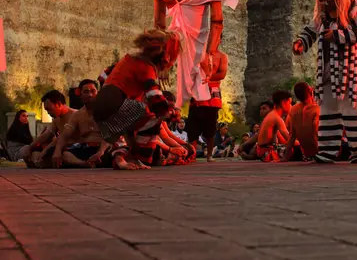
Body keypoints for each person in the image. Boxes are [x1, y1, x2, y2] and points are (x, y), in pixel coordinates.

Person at [292, 0, 357, 164]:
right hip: (328, 70)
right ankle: (326, 153)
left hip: (352, 71)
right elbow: (311, 30)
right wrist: (301, 43)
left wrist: (336, 35)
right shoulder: (323, 15)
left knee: (354, 110)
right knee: (327, 111)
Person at [153, 0, 238, 107]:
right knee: (175, 39)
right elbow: (159, 26)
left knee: (200, 86)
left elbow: (217, 21)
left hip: (198, 40)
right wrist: (162, 58)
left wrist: (211, 52)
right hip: (178, 39)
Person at [93, 29, 180, 169]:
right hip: (115, 107)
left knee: (128, 126)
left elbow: (102, 77)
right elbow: (154, 96)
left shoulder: (127, 60)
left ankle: (124, 158)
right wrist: (169, 113)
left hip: (100, 111)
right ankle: (140, 157)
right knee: (152, 116)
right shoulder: (145, 67)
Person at [52, 80, 112, 168]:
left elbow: (109, 135)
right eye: (86, 92)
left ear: (98, 93)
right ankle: (84, 164)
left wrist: (101, 151)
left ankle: (92, 162)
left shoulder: (107, 111)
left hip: (104, 149)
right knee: (65, 154)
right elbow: (65, 135)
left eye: (93, 91)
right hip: (85, 150)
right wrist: (57, 151)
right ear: (80, 94)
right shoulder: (77, 115)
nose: (90, 95)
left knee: (115, 153)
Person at [187, 49, 228, 162]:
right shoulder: (198, 54)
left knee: (210, 128)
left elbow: (222, 74)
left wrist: (207, 77)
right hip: (197, 95)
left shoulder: (222, 56)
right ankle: (192, 155)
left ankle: (209, 155)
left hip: (211, 96)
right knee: (193, 128)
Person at [23, 90, 77, 168]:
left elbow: (63, 138)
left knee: (62, 155)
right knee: (35, 154)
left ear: (58, 104)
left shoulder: (75, 115)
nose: (48, 112)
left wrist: (45, 151)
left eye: (49, 109)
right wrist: (30, 147)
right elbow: (46, 134)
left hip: (72, 149)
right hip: (59, 148)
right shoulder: (56, 120)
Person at [283, 82, 319, 161]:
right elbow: (315, 133)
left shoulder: (293, 110)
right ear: (310, 91)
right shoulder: (317, 109)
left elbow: (292, 136)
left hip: (306, 154)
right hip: (319, 152)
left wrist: (285, 157)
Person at [257, 90, 292, 162]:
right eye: (289, 103)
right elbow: (290, 139)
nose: (290, 106)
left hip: (263, 152)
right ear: (283, 103)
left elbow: (283, 140)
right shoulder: (276, 118)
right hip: (267, 153)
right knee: (298, 150)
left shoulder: (272, 115)